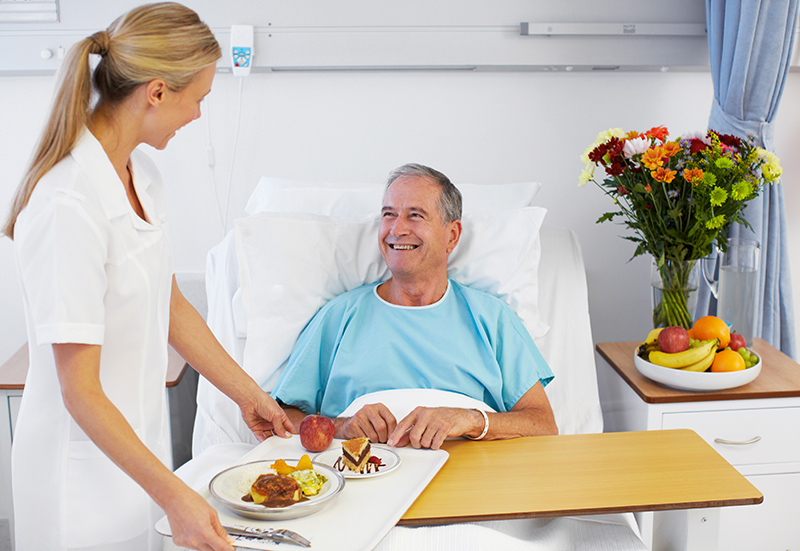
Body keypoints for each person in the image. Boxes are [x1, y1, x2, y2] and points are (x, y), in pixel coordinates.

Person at [2, 4, 295, 551]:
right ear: (157, 92)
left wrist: (246, 394)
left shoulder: (144, 175)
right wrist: (176, 495)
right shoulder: (68, 204)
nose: (199, 115)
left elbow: (169, 304)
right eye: (199, 98)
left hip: (137, 461)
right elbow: (80, 391)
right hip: (78, 483)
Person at [272, 163, 559, 449]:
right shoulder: (339, 316)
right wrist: (343, 426)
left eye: (415, 215)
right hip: (366, 475)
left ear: (452, 236)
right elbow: (282, 418)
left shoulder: (491, 318)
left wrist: (472, 420)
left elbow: (543, 424)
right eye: (389, 215)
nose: (397, 229)